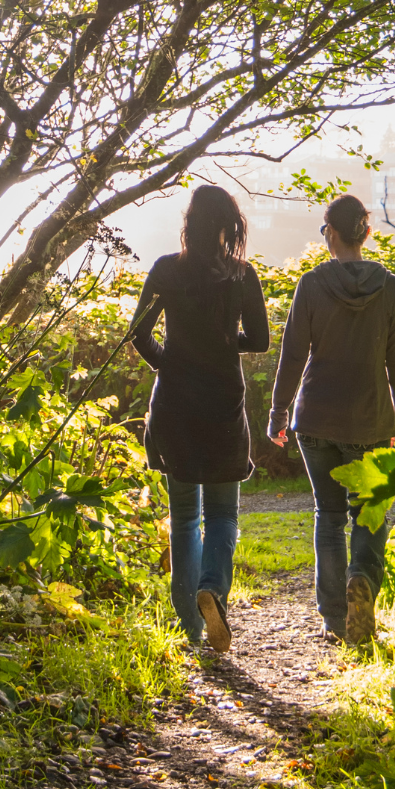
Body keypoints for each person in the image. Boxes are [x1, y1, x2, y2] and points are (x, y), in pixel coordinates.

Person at [130, 185, 269, 654]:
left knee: (185, 516)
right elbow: (262, 339)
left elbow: (138, 333)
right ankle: (213, 589)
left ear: (189, 222)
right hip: (223, 406)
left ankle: (189, 627)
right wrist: (228, 342)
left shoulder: (167, 270)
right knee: (223, 514)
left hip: (175, 407)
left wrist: (166, 361)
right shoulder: (241, 276)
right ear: (230, 225)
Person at [267, 194, 395, 647]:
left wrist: (278, 409)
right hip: (369, 419)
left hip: (317, 419)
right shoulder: (390, 287)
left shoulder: (310, 285)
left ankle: (333, 617)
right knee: (369, 512)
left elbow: (291, 355)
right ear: (366, 233)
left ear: (330, 233)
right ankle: (361, 579)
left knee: (328, 515)